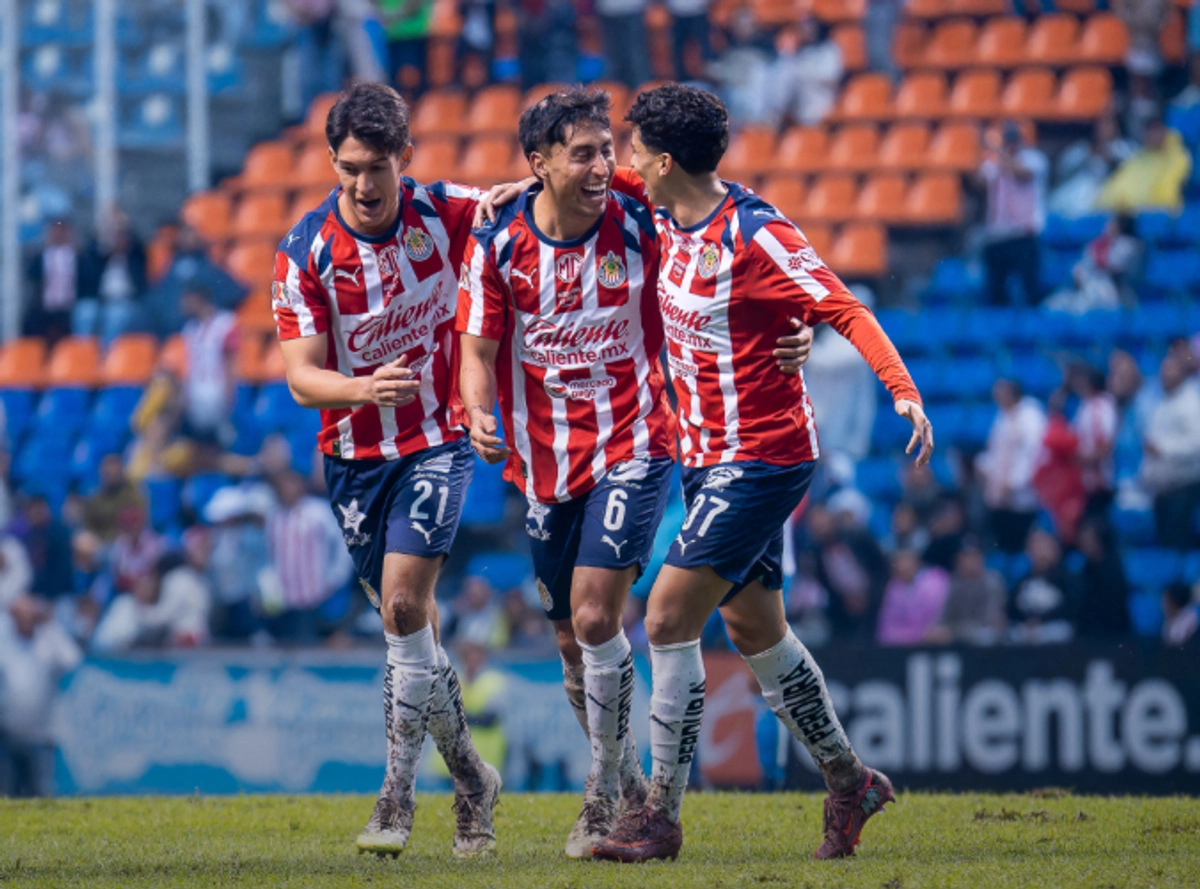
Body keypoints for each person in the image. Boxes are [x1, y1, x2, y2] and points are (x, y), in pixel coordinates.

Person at [462, 87, 814, 857]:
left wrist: (793, 336)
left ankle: (612, 797)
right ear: (541, 164)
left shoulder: (643, 220)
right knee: (570, 644)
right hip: (544, 467)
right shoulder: (496, 243)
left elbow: (736, 263)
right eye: (583, 153)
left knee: (597, 618)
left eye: (606, 151)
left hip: (638, 441)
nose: (603, 167)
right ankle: (622, 789)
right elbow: (478, 351)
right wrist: (479, 412)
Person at [589, 84, 932, 863]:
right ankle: (851, 782)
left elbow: (845, 307)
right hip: (704, 460)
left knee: (669, 615)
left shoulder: (756, 233)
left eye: (634, 146)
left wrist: (903, 392)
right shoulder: (665, 210)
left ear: (664, 160)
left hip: (765, 456)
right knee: (755, 629)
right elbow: (594, 192)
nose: (624, 158)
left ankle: (659, 819)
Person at [271, 81, 499, 859]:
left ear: (406, 156)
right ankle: (471, 774)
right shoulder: (305, 251)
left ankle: (397, 798)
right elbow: (302, 378)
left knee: (405, 605)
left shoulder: (447, 211)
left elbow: (535, 209)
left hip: (438, 439)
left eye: (378, 167)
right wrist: (364, 387)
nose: (364, 185)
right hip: (354, 460)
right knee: (409, 629)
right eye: (349, 169)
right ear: (333, 162)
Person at [0, 594, 82, 797]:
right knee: (6, 797)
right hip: (7, 735)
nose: (25, 620)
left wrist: (50, 624)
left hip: (41, 736)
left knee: (40, 795)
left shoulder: (47, 641)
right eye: (20, 615)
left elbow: (74, 659)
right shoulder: (5, 641)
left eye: (29, 616)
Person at [263, 469, 354, 642]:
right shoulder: (274, 517)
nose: (286, 489)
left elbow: (344, 545)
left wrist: (335, 577)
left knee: (310, 645)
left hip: (315, 597)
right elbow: (269, 554)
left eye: (290, 484)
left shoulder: (318, 513)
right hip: (284, 600)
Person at [976, 122, 1049, 306]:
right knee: (996, 292)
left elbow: (1022, 174)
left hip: (1023, 234)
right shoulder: (995, 164)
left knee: (1030, 288)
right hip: (998, 235)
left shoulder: (1034, 159)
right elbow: (979, 183)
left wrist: (998, 152)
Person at [976, 379, 1047, 554]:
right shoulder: (1003, 416)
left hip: (1023, 497)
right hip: (1001, 498)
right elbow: (995, 451)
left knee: (1020, 544)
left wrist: (1014, 483)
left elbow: (1035, 454)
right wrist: (984, 466)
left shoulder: (1031, 415)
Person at [90, 551, 211, 653]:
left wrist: (143, 612)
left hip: (187, 641)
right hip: (109, 654)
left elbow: (162, 617)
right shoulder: (125, 604)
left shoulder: (178, 580)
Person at [1140, 350, 1200, 549]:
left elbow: (1196, 443)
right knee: (1163, 548)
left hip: (1183, 490)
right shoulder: (1162, 402)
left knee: (1178, 549)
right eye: (1163, 370)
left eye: (1171, 370)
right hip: (1162, 491)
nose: (1165, 375)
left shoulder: (1191, 402)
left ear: (1182, 373)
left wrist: (1164, 449)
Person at [180, 284, 240, 448]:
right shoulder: (190, 330)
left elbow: (231, 362)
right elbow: (188, 367)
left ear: (199, 298)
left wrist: (229, 399)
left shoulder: (226, 323)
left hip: (218, 392)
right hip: (196, 395)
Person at [1044, 215, 1141, 315]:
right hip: (1087, 288)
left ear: (1121, 226)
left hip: (1114, 292)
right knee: (1054, 303)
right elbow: (1082, 266)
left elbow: (1112, 265)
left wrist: (1099, 252)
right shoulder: (1099, 243)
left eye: (1113, 223)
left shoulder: (1129, 245)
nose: (1108, 226)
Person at [1096, 115, 1193, 214]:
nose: (1151, 136)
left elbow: (1169, 194)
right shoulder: (1138, 159)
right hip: (1131, 213)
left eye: (1155, 132)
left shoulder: (1178, 157)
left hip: (1161, 213)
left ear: (1164, 131)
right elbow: (1115, 187)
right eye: (1148, 132)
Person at [926, 537, 1007, 645]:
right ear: (958, 559)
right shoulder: (952, 582)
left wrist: (955, 631)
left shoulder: (992, 581)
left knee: (987, 635)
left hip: (984, 638)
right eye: (967, 556)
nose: (972, 560)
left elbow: (991, 620)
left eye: (975, 555)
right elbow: (943, 618)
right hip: (958, 638)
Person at [24, 218, 84, 345]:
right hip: (46, 307)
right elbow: (30, 274)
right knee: (30, 323)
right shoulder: (43, 255)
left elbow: (88, 277)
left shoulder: (76, 256)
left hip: (69, 307)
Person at [874, 549, 950, 646]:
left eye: (907, 561)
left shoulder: (936, 581)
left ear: (916, 562)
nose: (903, 566)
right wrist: (916, 636)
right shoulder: (892, 588)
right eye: (899, 562)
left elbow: (937, 616)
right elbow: (886, 626)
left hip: (931, 641)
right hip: (899, 645)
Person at [83, 454, 147, 544]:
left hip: (126, 542)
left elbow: (139, 523)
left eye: (113, 471)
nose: (110, 475)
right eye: (107, 473)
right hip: (100, 543)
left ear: (121, 472)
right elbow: (89, 526)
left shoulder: (133, 495)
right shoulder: (95, 498)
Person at [1162, 581, 1198, 646]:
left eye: (1166, 601)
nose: (1163, 605)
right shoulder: (1171, 622)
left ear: (1173, 603)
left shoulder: (1181, 628)